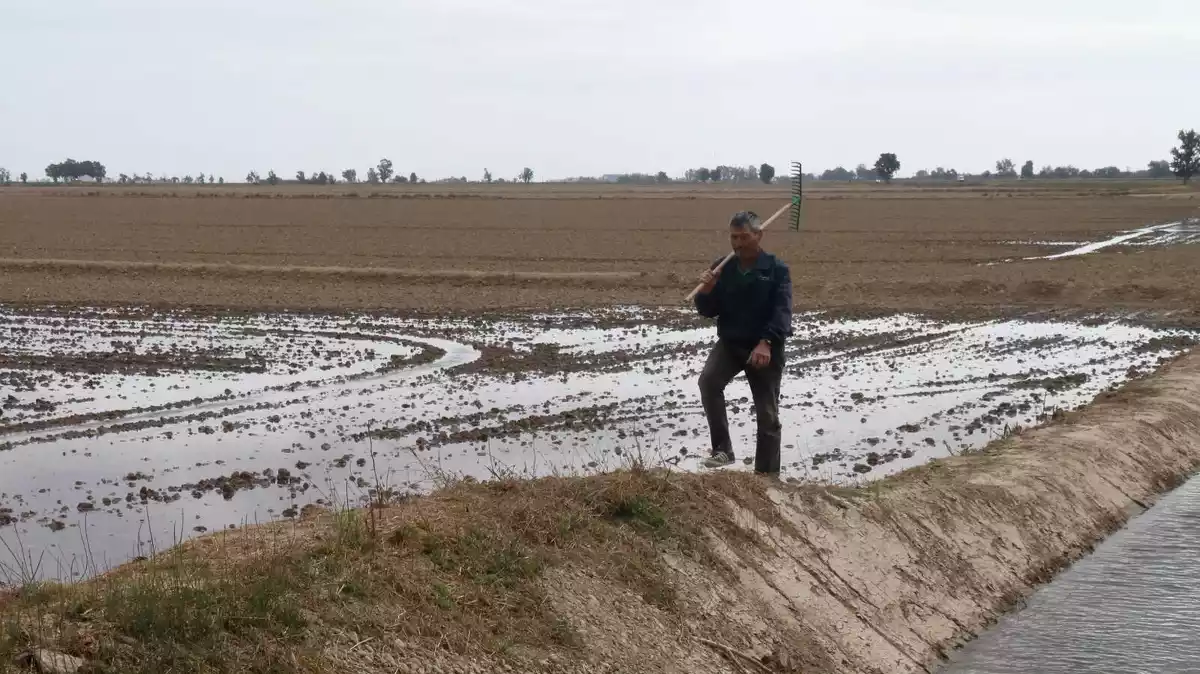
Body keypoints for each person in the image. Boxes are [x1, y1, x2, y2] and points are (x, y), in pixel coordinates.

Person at [693, 210, 793, 474]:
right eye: (733, 237)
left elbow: (782, 312)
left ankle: (767, 475)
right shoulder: (722, 267)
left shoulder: (776, 269)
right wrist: (706, 289)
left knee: (767, 414)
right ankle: (722, 451)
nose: (737, 243)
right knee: (708, 382)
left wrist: (767, 343)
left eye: (743, 237)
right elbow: (707, 310)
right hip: (731, 343)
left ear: (758, 235)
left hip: (764, 348)